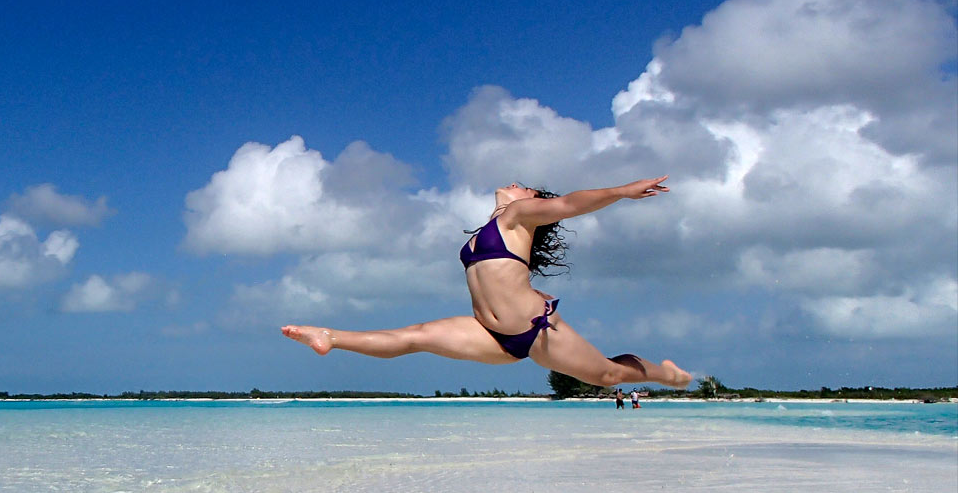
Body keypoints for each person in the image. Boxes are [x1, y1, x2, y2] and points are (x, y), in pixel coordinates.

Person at [282, 177, 692, 390]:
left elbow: (570, 203)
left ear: (530, 198)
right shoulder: (488, 229)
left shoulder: (518, 217)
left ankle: (664, 374)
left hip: (533, 331)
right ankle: (329, 336)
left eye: (522, 185)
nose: (513, 182)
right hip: (490, 331)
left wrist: (621, 192)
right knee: (416, 336)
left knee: (607, 376)